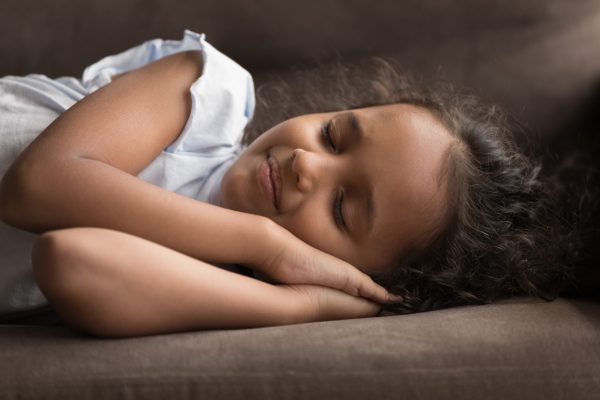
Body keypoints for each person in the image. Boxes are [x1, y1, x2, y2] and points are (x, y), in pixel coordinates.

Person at [0, 30, 588, 337]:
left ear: (358, 277)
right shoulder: (205, 97)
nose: (309, 165)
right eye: (334, 136)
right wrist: (266, 242)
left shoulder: (207, 286)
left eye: (342, 209)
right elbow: (36, 186)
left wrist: (302, 303)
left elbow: (70, 258)